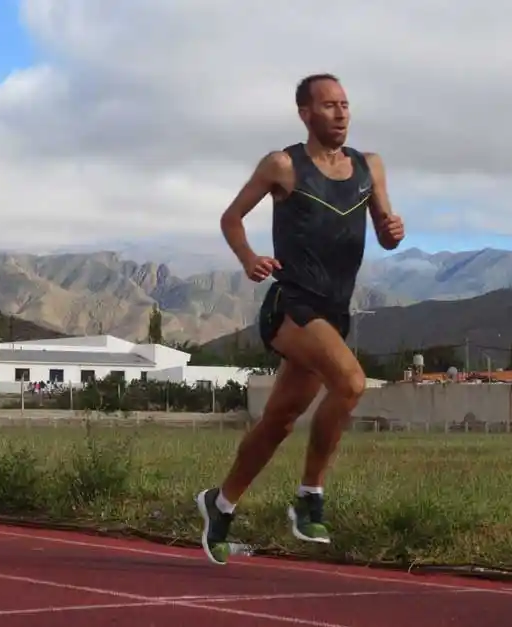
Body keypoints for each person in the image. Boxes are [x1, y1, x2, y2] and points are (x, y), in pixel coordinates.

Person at [195, 73, 406, 565]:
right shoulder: (282, 166)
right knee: (351, 383)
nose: (340, 114)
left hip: (332, 312)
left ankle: (220, 504)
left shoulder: (368, 167)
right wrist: (249, 257)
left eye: (346, 105)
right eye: (329, 106)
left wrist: (393, 231)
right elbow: (231, 218)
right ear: (305, 113)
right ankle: (310, 495)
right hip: (290, 306)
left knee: (279, 420)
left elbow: (386, 233)